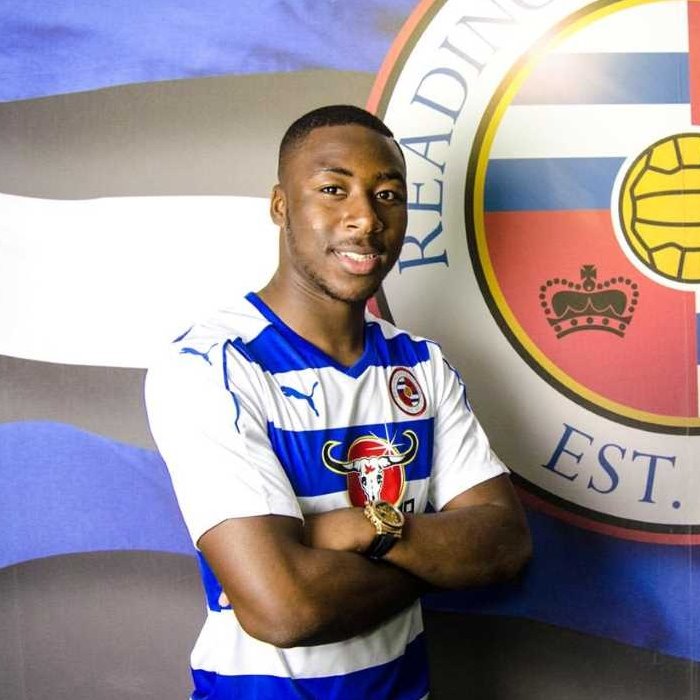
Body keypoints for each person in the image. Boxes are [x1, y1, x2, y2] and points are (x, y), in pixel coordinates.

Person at [145, 104, 532, 699]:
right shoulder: (212, 364)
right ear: (281, 206)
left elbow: (505, 545)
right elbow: (285, 609)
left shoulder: (421, 365)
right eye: (333, 189)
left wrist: (369, 529)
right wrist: (435, 563)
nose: (365, 218)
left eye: (387, 195)